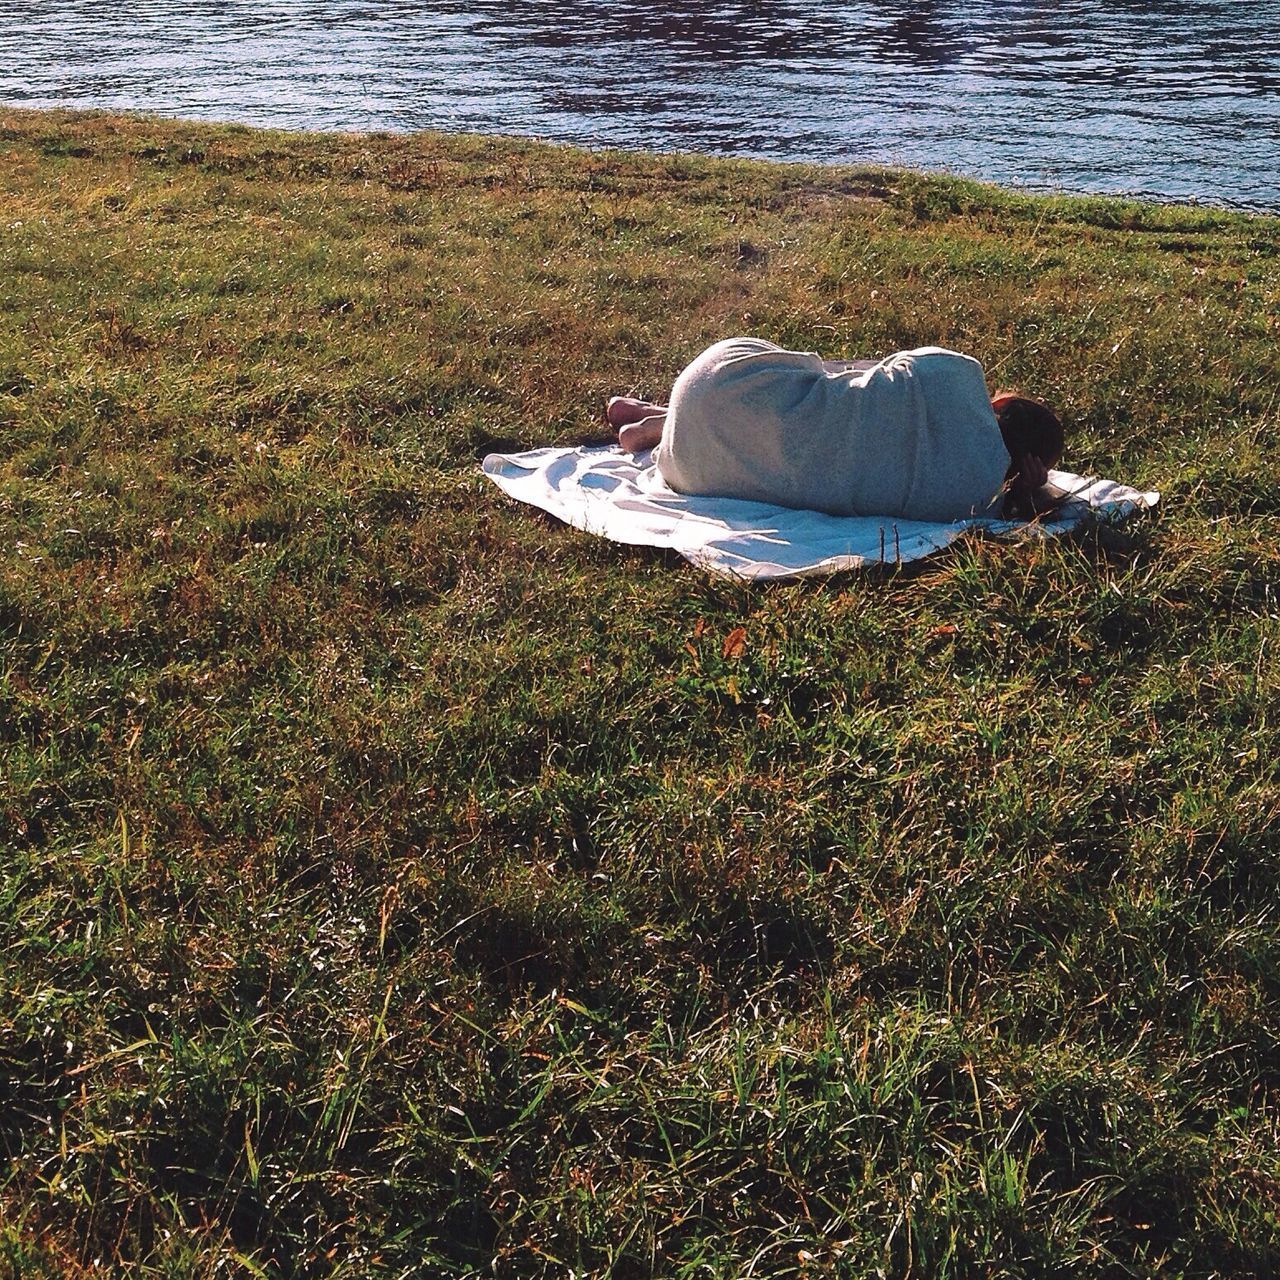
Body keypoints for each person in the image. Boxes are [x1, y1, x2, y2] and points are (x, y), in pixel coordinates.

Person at [607, 338, 1063, 521]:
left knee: (819, 388)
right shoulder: (975, 500)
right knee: (799, 417)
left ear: (1001, 400)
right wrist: (1024, 493)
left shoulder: (959, 374)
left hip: (718, 377)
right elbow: (1015, 513)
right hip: (692, 466)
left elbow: (870, 370)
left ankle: (664, 417)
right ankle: (662, 425)